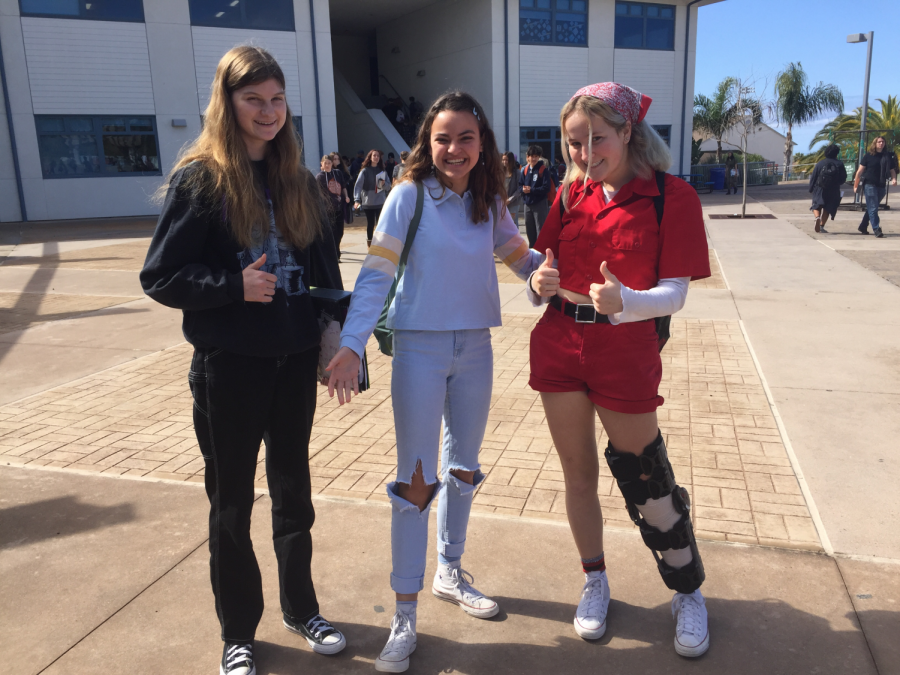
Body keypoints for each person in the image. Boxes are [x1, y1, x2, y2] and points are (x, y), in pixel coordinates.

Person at [139, 46, 346, 675]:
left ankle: (301, 606)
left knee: (294, 492)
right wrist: (233, 287)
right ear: (227, 103)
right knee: (232, 501)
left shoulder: (299, 182)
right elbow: (161, 274)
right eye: (254, 99)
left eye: (277, 99)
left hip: (293, 365)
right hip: (229, 367)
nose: (268, 112)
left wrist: (331, 332)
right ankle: (238, 632)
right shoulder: (201, 178)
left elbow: (324, 272)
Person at [325, 91, 543, 673]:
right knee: (415, 483)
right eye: (443, 138)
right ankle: (404, 615)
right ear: (428, 141)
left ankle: (450, 571)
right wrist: (350, 344)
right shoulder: (407, 196)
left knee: (464, 469)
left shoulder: (489, 198)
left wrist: (546, 272)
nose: (454, 148)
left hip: (475, 346)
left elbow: (518, 254)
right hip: (419, 350)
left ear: (482, 144)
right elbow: (376, 273)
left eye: (466, 138)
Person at [527, 82, 712, 658]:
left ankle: (687, 590)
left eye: (597, 140)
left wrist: (628, 301)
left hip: (624, 351)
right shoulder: (569, 195)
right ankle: (595, 580)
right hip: (559, 342)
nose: (584, 154)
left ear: (629, 132)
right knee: (578, 474)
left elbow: (676, 293)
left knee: (646, 478)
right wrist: (537, 283)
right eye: (573, 142)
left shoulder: (670, 197)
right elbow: (542, 263)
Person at [854, 136, 898, 238]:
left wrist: (894, 179)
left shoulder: (887, 157)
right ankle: (876, 229)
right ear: (875, 143)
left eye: (883, 142)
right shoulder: (868, 156)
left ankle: (863, 226)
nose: (881, 143)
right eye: (879, 142)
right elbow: (859, 172)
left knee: (871, 207)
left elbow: (892, 170)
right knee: (873, 208)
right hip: (869, 184)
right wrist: (856, 186)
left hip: (881, 185)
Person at [354, 149, 392, 247]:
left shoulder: (382, 171)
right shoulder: (365, 171)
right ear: (370, 157)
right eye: (374, 155)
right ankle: (370, 244)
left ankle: (380, 244)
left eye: (378, 156)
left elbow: (388, 186)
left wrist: (384, 184)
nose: (376, 157)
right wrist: (357, 200)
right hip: (368, 202)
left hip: (380, 201)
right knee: (370, 224)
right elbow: (358, 186)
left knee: (380, 223)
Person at [317, 154, 350, 257]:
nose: (327, 165)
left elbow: (343, 186)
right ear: (321, 164)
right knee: (331, 232)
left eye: (329, 163)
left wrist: (346, 196)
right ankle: (335, 253)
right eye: (325, 163)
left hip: (339, 207)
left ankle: (336, 249)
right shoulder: (320, 177)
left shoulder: (337, 173)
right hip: (328, 209)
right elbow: (317, 192)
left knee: (340, 232)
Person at [808, 144, 847, 233]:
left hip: (820, 188)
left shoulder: (820, 163)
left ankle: (817, 217)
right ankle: (821, 225)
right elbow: (843, 178)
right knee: (828, 208)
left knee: (816, 205)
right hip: (833, 189)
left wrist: (811, 188)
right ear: (836, 153)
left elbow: (814, 177)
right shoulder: (839, 164)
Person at [520, 144, 553, 247]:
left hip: (540, 204)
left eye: (536, 156)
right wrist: (523, 189)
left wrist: (531, 190)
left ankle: (541, 253)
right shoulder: (525, 170)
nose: (533, 158)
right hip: (527, 204)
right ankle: (532, 251)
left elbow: (546, 187)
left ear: (539, 157)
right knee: (529, 230)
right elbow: (520, 185)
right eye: (531, 156)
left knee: (540, 229)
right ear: (527, 157)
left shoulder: (543, 169)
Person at [502, 151, 522, 225]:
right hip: (502, 202)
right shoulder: (500, 172)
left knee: (513, 223)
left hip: (513, 203)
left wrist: (510, 200)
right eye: (503, 160)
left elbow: (519, 189)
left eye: (506, 160)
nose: (504, 162)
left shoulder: (517, 173)